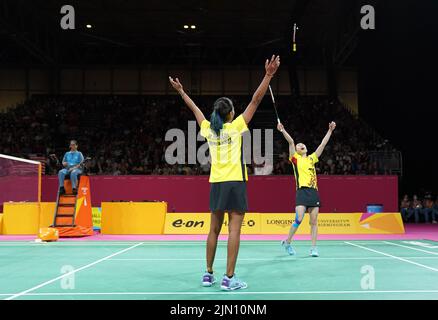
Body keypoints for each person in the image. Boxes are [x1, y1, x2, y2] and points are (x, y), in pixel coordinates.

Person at [169, 55, 280, 291]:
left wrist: (181, 92)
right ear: (229, 114)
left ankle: (208, 274)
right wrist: (268, 75)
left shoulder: (209, 129)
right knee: (234, 230)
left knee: (213, 230)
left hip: (216, 183)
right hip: (235, 182)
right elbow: (256, 99)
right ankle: (229, 278)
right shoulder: (236, 127)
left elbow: (195, 109)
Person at [277, 121, 336, 257]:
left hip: (313, 192)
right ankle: (287, 242)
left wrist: (330, 131)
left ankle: (314, 248)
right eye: (299, 145)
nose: (301, 145)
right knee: (299, 218)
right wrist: (282, 130)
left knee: (314, 221)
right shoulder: (295, 159)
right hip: (302, 191)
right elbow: (291, 142)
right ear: (296, 150)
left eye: (302, 144)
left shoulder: (312, 159)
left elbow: (322, 144)